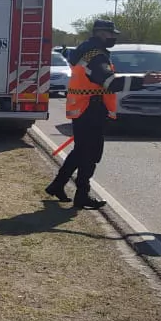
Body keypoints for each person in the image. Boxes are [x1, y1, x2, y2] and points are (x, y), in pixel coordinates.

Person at [46, 19, 122, 209]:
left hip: (83, 109)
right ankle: (82, 194)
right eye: (112, 34)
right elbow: (109, 82)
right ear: (102, 33)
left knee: (80, 151)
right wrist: (143, 81)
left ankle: (58, 184)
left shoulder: (85, 51)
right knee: (91, 154)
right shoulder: (95, 55)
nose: (114, 37)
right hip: (92, 109)